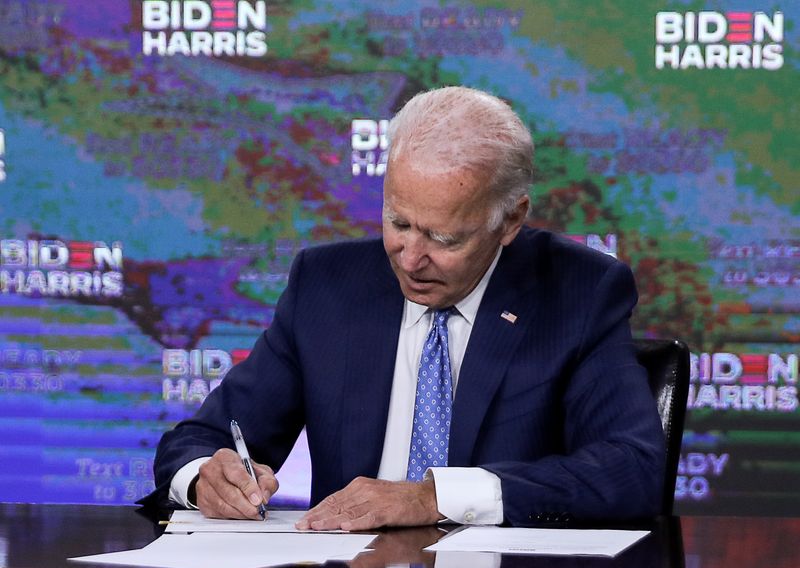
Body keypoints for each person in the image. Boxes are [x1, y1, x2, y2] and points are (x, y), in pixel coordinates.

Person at [145, 86, 665, 529]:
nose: (411, 258)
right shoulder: (328, 287)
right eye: (398, 223)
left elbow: (631, 470)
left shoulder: (579, 293)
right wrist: (205, 479)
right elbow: (200, 440)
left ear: (510, 220)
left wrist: (433, 497)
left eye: (444, 237)